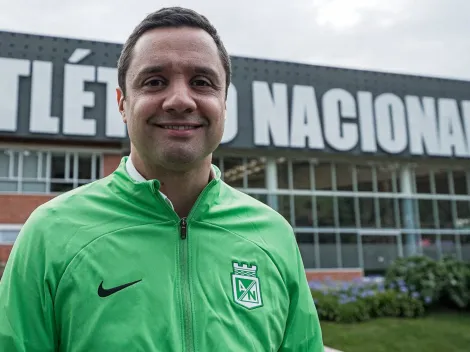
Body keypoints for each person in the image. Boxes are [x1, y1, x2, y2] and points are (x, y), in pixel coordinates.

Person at [0, 7, 324, 351]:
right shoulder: (52, 232)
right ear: (123, 103)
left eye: (201, 82)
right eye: (155, 82)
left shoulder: (272, 234)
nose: (180, 100)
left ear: (224, 103)